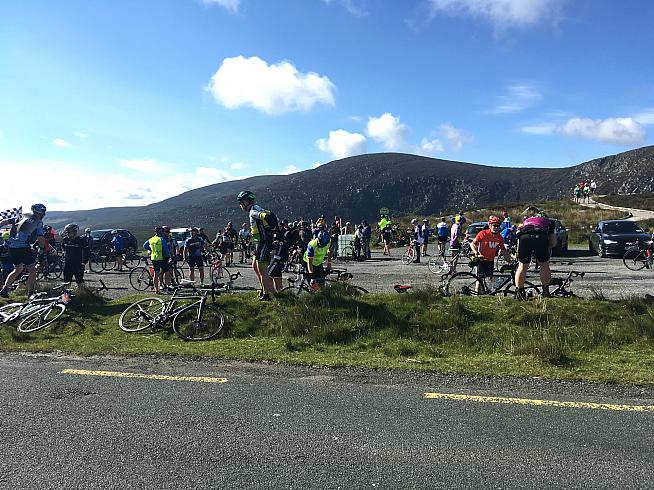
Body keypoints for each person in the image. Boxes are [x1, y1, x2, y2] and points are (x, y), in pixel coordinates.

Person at [0, 204, 47, 297]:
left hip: (12, 247)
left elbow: (3, 222)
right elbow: (41, 238)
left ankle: (4, 289)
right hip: (23, 247)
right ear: (41, 213)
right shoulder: (38, 222)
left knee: (17, 269)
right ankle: (30, 294)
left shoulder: (22, 216)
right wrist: (42, 250)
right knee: (32, 270)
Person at [237, 190, 277, 301]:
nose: (240, 206)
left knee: (262, 269)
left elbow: (265, 216)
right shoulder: (256, 207)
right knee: (255, 265)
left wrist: (271, 225)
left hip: (263, 242)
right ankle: (266, 289)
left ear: (246, 202)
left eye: (241, 203)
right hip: (258, 242)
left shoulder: (253, 211)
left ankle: (267, 295)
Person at [515, 206, 557, 299]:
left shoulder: (525, 222)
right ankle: (545, 291)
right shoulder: (549, 222)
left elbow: (519, 236)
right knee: (544, 265)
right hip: (540, 236)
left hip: (524, 237)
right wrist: (547, 246)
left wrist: (518, 252)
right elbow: (553, 242)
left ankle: (519, 292)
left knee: (522, 266)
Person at [471, 215, 513, 293]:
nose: (496, 227)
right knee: (479, 280)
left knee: (488, 280)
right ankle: (476, 295)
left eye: (498, 226)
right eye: (494, 225)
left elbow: (503, 251)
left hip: (490, 261)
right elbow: (473, 244)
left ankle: (485, 295)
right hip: (481, 260)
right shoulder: (483, 233)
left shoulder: (499, 237)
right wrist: (476, 253)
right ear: (490, 225)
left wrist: (510, 261)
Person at [143, 226, 170, 294]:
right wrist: (169, 256)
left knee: (156, 273)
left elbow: (145, 245)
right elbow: (166, 249)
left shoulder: (151, 239)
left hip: (154, 258)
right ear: (161, 232)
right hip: (162, 258)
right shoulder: (161, 239)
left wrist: (151, 249)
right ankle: (167, 286)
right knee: (167, 272)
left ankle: (156, 289)